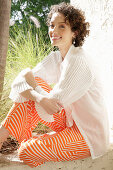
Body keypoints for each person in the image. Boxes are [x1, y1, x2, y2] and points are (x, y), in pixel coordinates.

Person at [0, 2, 109, 167]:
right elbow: (19, 83)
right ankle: (1, 136)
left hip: (87, 136)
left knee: (26, 151)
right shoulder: (57, 57)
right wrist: (36, 93)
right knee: (34, 89)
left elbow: (52, 105)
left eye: (62, 26)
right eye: (52, 26)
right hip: (68, 122)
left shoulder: (78, 61)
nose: (54, 31)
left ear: (75, 32)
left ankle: (24, 140)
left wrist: (34, 89)